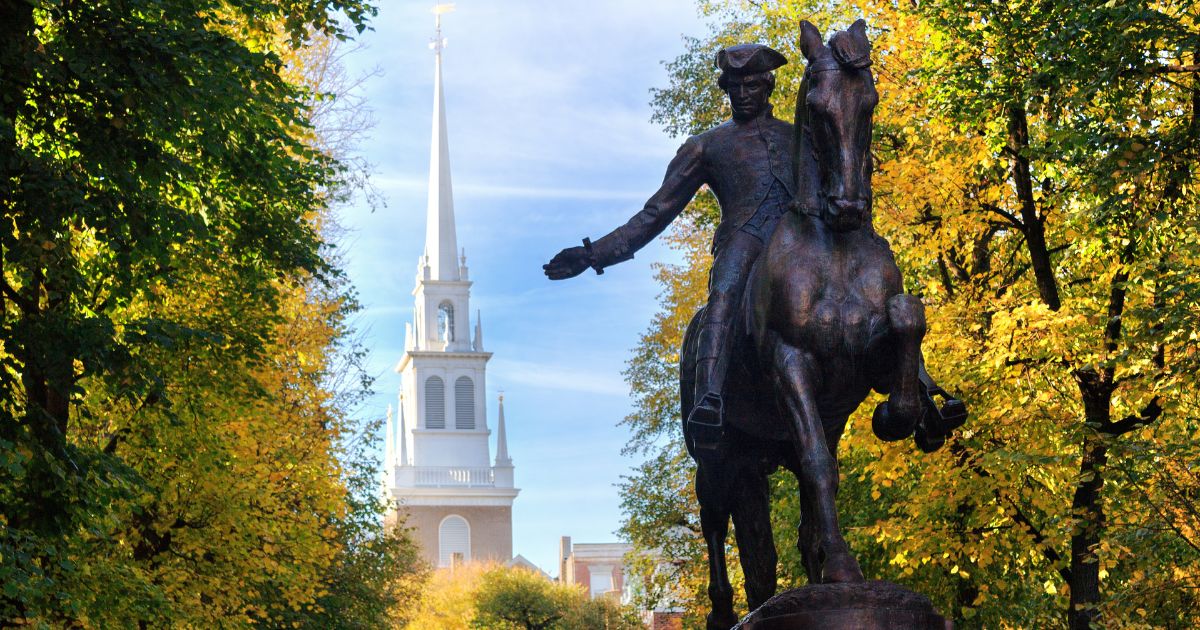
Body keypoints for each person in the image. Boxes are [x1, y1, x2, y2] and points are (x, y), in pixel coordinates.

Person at [543, 44, 795, 449]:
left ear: (768, 85)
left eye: (751, 85)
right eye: (734, 87)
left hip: (799, 240)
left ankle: (918, 384)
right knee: (725, 293)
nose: (744, 94)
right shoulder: (707, 146)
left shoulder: (798, 137)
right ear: (725, 90)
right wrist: (593, 255)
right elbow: (655, 213)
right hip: (746, 238)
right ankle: (710, 395)